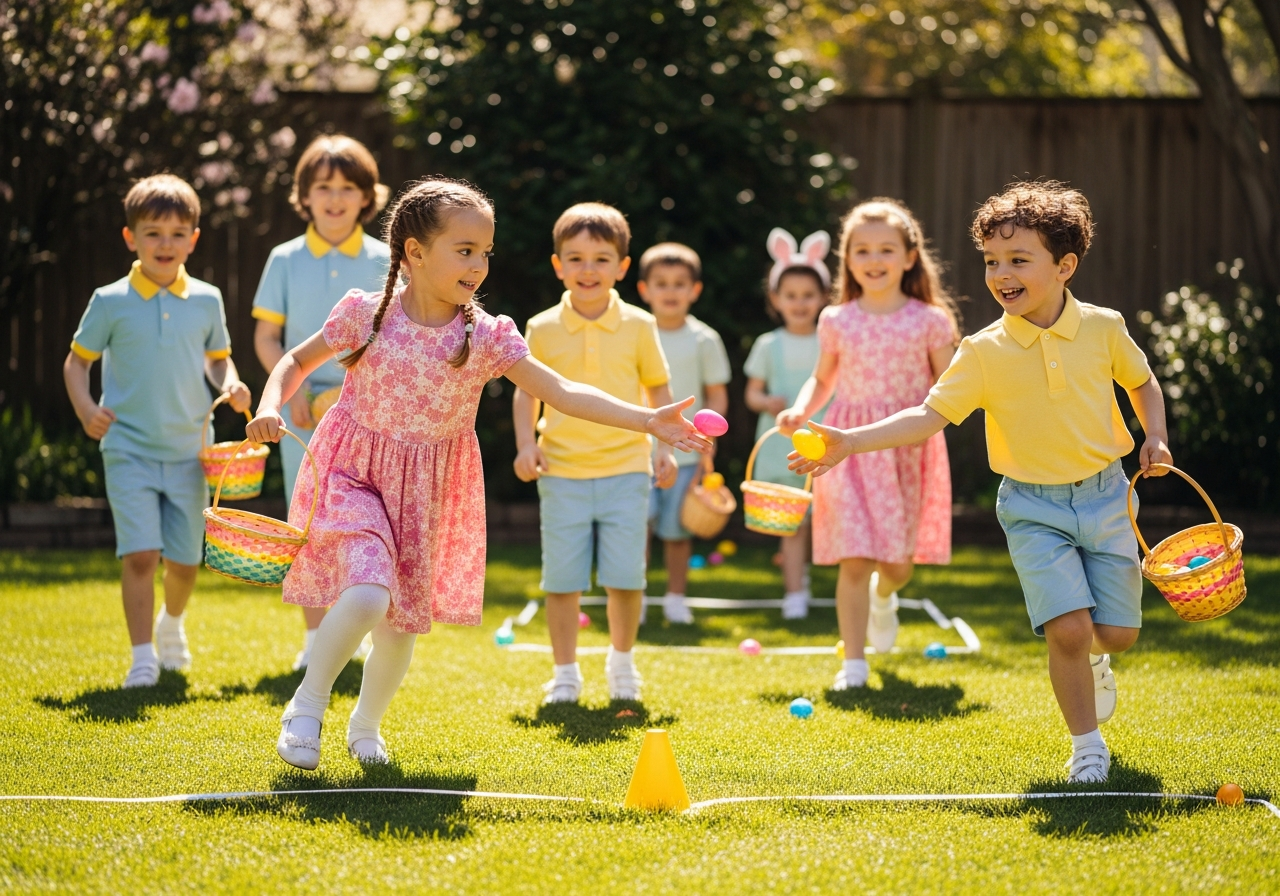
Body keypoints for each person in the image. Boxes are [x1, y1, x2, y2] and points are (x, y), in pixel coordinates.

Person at [248, 179, 707, 769]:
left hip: (425, 491)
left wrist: (648, 419)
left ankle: (366, 726)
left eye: (485, 252)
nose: (479, 264)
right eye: (464, 250)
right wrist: (269, 403)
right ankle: (307, 705)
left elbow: (561, 392)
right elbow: (294, 359)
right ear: (414, 252)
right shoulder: (367, 314)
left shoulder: (486, 336)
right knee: (367, 594)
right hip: (353, 474)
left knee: (400, 623)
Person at [789, 181, 1171, 784]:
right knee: (1067, 628)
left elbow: (1142, 382)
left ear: (1064, 266)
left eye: (1019, 260)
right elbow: (926, 417)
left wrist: (1155, 436)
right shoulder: (982, 350)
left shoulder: (1103, 328)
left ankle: (1094, 658)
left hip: (1106, 494)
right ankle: (1086, 745)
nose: (1001, 273)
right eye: (992, 261)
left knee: (1115, 634)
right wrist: (850, 441)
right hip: (1030, 505)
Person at [63, 174, 251, 688]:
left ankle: (172, 624)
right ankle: (142, 656)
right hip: (128, 449)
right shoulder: (110, 301)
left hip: (193, 452)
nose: (164, 244)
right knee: (142, 553)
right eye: (152, 233)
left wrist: (232, 385)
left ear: (193, 238)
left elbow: (219, 362)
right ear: (131, 238)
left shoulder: (207, 300)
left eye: (176, 233)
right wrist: (85, 410)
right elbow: (76, 365)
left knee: (186, 563)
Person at [778, 199, 958, 689]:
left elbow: (951, 384)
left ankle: (886, 596)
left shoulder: (931, 320)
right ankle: (853, 665)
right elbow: (821, 379)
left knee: (897, 564)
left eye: (885, 249)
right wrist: (801, 409)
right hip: (844, 446)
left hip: (905, 445)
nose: (873, 259)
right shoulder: (836, 319)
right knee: (854, 555)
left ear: (908, 256)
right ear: (847, 259)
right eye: (862, 250)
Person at [512, 203, 678, 704]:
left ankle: (622, 664)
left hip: (628, 468)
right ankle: (565, 674)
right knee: (562, 581)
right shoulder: (540, 327)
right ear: (558, 264)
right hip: (561, 470)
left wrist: (665, 449)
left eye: (601, 259)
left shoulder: (641, 325)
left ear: (622, 267)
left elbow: (658, 391)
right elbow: (525, 392)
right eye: (576, 258)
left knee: (625, 578)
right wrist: (525, 443)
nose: (588, 270)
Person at [251, 134, 391, 670]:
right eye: (323, 187)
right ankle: (314, 641)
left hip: (372, 418)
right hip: (300, 419)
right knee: (307, 524)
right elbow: (269, 337)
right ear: (304, 196)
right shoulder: (284, 259)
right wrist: (293, 394)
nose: (335, 198)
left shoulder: (388, 259)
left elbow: (390, 337)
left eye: (347, 188)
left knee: (367, 522)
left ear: (366, 196)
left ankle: (357, 630)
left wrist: (345, 389)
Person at [636, 242, 731, 625]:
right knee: (638, 526)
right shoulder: (636, 332)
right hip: (638, 449)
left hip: (688, 452)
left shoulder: (704, 339)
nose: (670, 291)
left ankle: (676, 598)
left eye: (680, 284)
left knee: (677, 531)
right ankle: (635, 598)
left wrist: (709, 439)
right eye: (661, 283)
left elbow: (718, 396)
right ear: (645, 290)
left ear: (695, 290)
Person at [743, 228, 832, 620]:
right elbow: (751, 394)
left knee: (829, 519)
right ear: (775, 299)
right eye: (790, 296)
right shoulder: (768, 343)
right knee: (793, 524)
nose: (799, 303)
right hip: (782, 449)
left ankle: (827, 581)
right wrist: (767, 401)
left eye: (808, 295)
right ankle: (795, 592)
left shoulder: (831, 342)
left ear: (824, 299)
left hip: (827, 444)